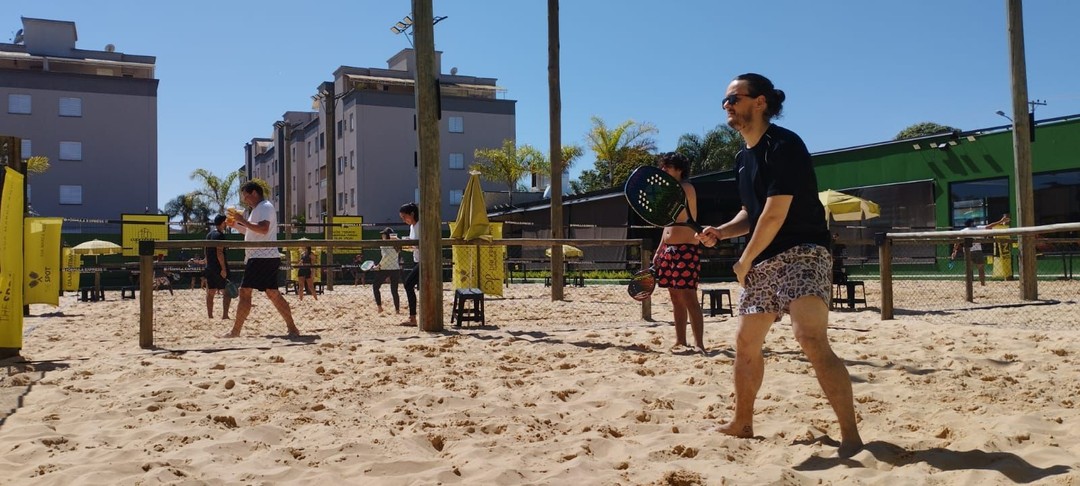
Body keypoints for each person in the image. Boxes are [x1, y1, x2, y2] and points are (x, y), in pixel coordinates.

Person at [697, 73, 862, 457]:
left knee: (809, 337)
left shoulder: (784, 144)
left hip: (804, 250)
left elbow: (774, 213)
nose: (727, 106)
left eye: (734, 98)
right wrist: (721, 233)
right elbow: (750, 213)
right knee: (745, 344)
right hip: (765, 255)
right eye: (724, 101)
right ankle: (742, 423)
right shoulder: (742, 158)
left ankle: (851, 436)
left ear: (761, 102)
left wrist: (744, 259)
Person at [224, 181, 300, 337]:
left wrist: (242, 220)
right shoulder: (259, 208)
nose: (245, 200)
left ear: (254, 193)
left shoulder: (264, 207)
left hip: (261, 257)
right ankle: (292, 328)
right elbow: (253, 232)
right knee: (273, 293)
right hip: (264, 256)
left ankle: (235, 331)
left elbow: (263, 229)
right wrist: (237, 225)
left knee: (245, 292)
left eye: (246, 196)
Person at [651, 152, 705, 355]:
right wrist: (659, 251)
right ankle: (681, 340)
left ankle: (699, 343)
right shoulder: (669, 191)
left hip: (686, 249)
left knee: (690, 297)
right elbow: (666, 225)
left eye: (667, 167)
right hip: (669, 249)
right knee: (675, 298)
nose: (663, 170)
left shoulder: (686, 188)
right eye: (662, 166)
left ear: (679, 169)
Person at [951, 214, 1011, 285]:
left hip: (967, 252)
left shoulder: (963, 231)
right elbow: (990, 226)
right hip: (978, 251)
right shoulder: (977, 228)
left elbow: (957, 243)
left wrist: (954, 251)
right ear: (972, 223)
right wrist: (1001, 221)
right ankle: (982, 283)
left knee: (968, 269)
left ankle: (969, 284)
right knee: (981, 268)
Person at [192, 215, 232, 319]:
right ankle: (225, 315)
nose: (227, 223)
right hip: (218, 268)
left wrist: (205, 262)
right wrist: (223, 268)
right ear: (223, 223)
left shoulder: (209, 235)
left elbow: (206, 252)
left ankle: (210, 316)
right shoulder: (220, 235)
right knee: (226, 292)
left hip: (209, 267)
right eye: (225, 222)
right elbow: (219, 252)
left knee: (210, 292)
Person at [399, 202, 420, 326]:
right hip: (417, 259)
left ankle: (413, 318)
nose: (403, 220)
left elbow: (417, 244)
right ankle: (414, 317)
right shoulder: (412, 226)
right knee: (415, 287)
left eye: (404, 217)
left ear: (412, 214)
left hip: (425, 260)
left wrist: (404, 243)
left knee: (408, 285)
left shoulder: (420, 225)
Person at [372, 227, 402, 314]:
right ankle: (397, 310)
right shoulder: (397, 244)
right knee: (394, 290)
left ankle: (379, 307)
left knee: (375, 287)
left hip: (385, 268)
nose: (382, 236)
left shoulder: (384, 244)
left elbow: (385, 256)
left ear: (386, 235)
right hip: (395, 268)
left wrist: (378, 266)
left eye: (383, 234)